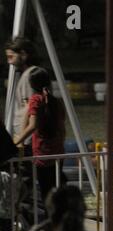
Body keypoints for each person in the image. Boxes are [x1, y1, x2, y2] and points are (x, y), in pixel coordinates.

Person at [14, 67, 66, 205]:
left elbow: (32, 126)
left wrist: (16, 141)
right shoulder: (57, 101)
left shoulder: (36, 100)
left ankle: (49, 220)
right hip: (58, 152)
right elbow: (62, 128)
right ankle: (57, 218)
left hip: (42, 152)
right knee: (56, 188)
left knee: (45, 191)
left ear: (31, 85)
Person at [4, 37, 39, 153]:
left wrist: (20, 140)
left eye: (11, 57)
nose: (9, 62)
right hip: (25, 138)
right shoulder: (26, 75)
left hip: (27, 140)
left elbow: (30, 108)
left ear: (23, 54)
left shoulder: (30, 76)